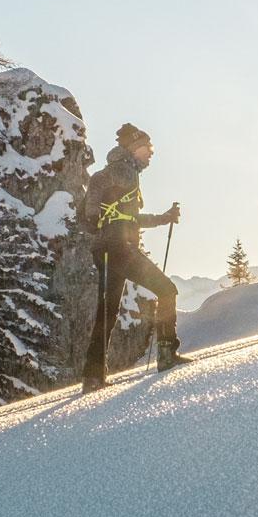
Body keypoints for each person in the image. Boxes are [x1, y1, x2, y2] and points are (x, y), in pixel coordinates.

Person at [82, 123, 188, 391]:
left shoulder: (126, 172)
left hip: (105, 248)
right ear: (134, 148)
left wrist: (163, 219)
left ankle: (93, 376)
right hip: (118, 248)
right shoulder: (124, 169)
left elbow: (130, 219)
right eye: (147, 149)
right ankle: (166, 354)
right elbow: (96, 182)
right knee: (166, 289)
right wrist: (93, 211)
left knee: (107, 312)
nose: (151, 154)